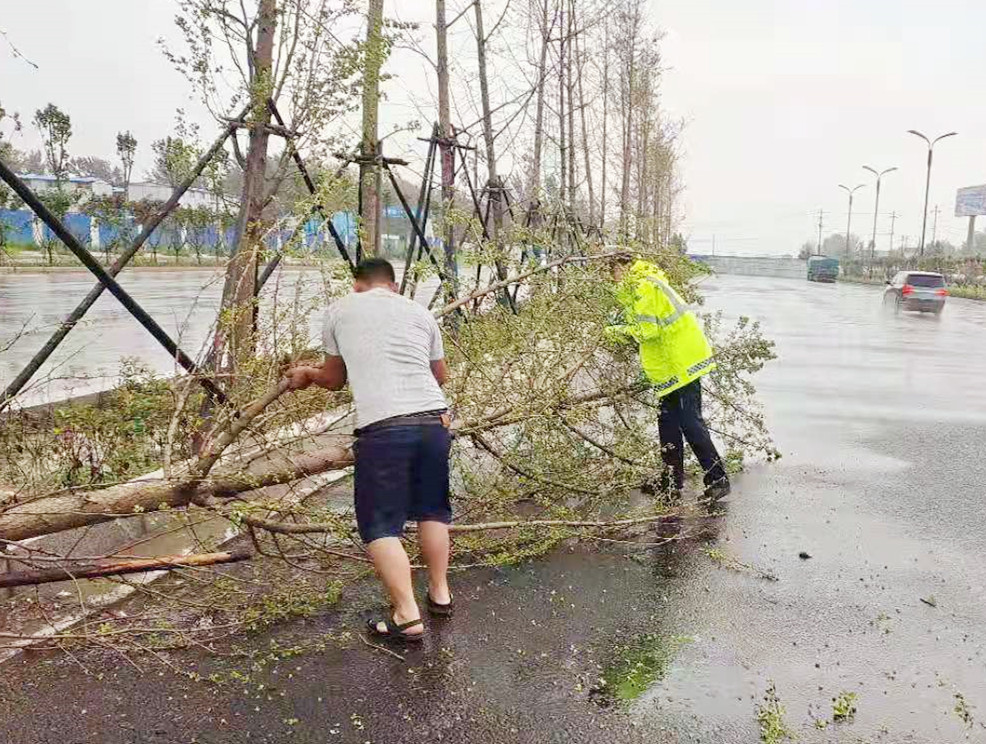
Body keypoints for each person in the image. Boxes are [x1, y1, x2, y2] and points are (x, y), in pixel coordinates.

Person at [285, 257, 452, 642]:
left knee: (379, 523)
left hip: (384, 426)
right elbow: (439, 376)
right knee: (433, 509)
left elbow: (333, 379)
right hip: (434, 421)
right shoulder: (419, 311)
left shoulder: (339, 310)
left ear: (357, 284)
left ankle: (407, 617)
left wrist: (307, 375)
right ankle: (440, 595)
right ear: (392, 285)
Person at [608, 254, 731, 502]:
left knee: (689, 422)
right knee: (667, 422)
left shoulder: (643, 286)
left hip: (680, 363)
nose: (612, 280)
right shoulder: (643, 283)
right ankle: (671, 481)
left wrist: (614, 332)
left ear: (622, 268)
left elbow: (647, 331)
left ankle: (717, 479)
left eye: (612, 273)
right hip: (671, 365)